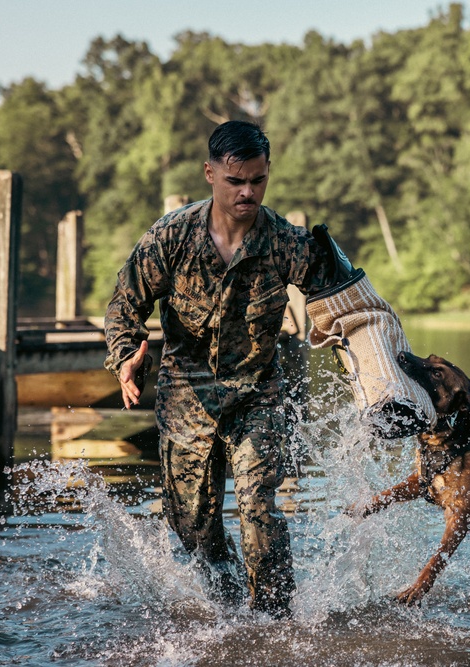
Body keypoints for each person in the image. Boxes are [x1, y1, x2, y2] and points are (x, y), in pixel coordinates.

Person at [104, 120, 347, 617]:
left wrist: (371, 356)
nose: (247, 192)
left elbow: (345, 298)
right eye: (236, 181)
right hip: (186, 396)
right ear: (210, 173)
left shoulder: (286, 242)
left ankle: (274, 623)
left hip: (257, 395)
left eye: (257, 180)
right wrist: (126, 354)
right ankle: (227, 613)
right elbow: (125, 305)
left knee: (258, 509)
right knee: (193, 525)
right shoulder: (171, 236)